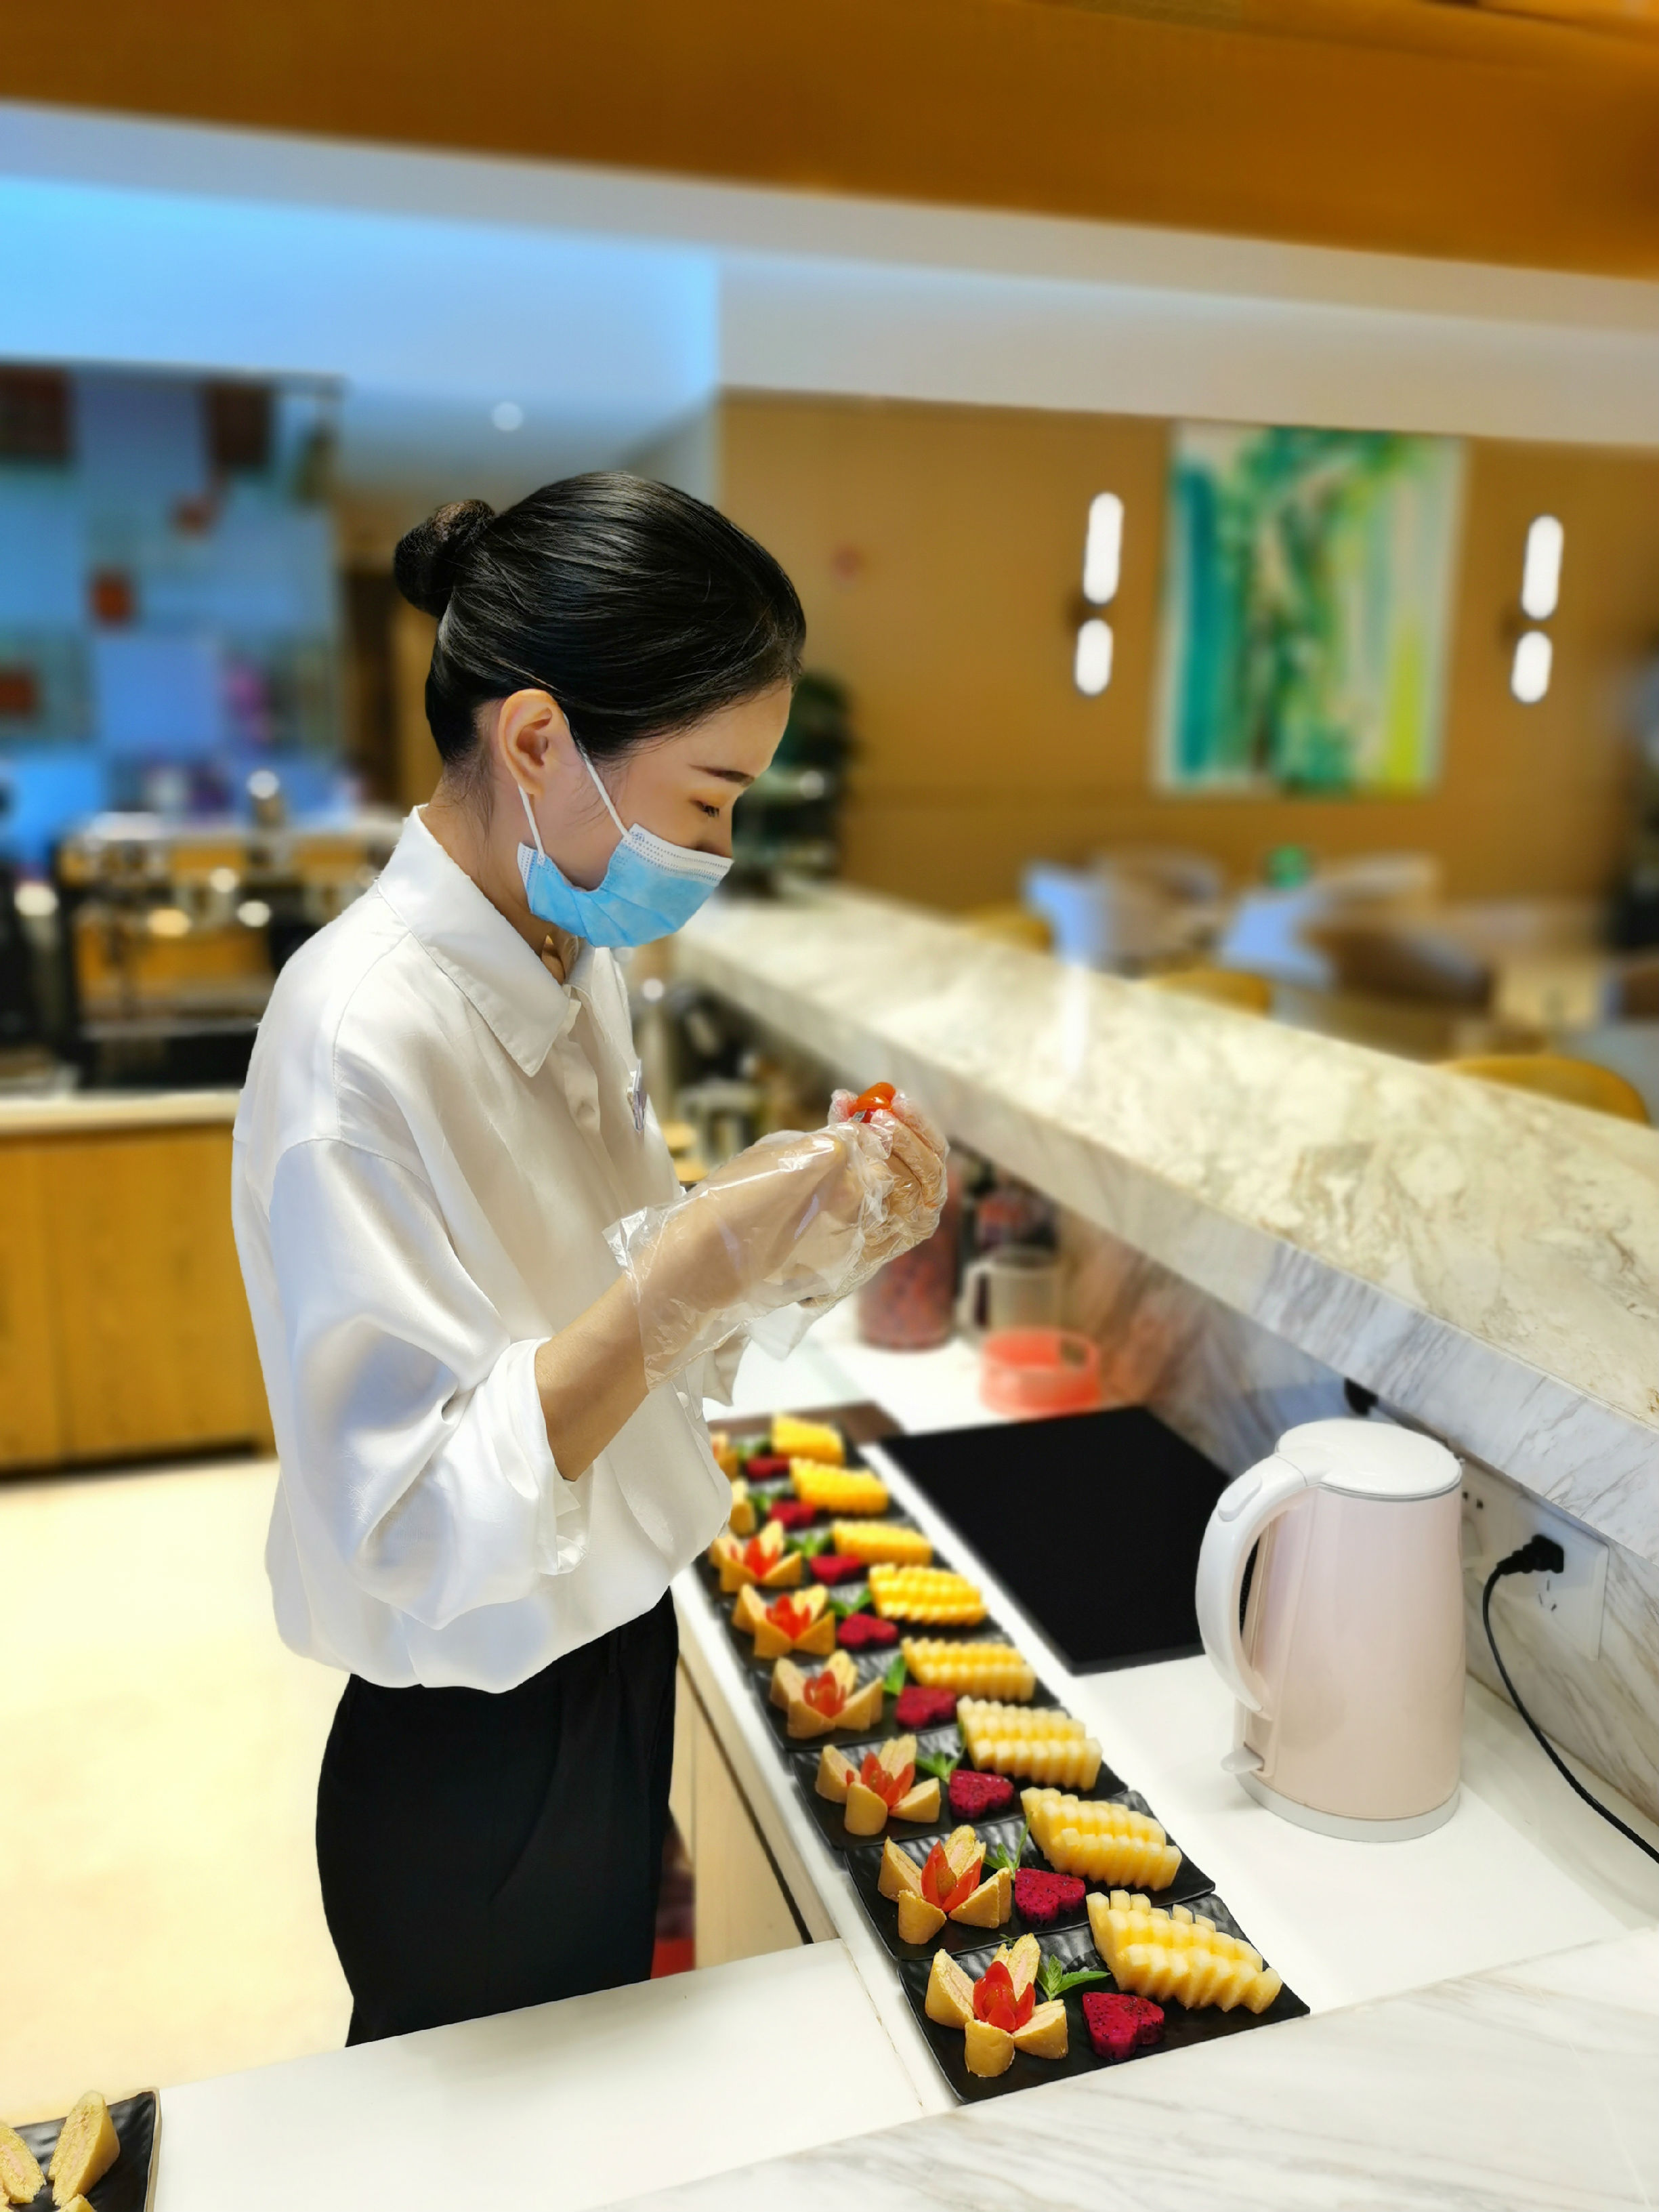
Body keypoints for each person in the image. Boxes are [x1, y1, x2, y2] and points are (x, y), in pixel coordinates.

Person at [231, 474, 947, 2044]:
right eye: (708, 800)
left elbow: (599, 1326)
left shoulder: (569, 953)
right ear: (540, 741)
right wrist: (688, 1263)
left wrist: (796, 1238)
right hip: (478, 1743)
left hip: (613, 1653)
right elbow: (410, 1520)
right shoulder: (359, 1040)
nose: (719, 849)